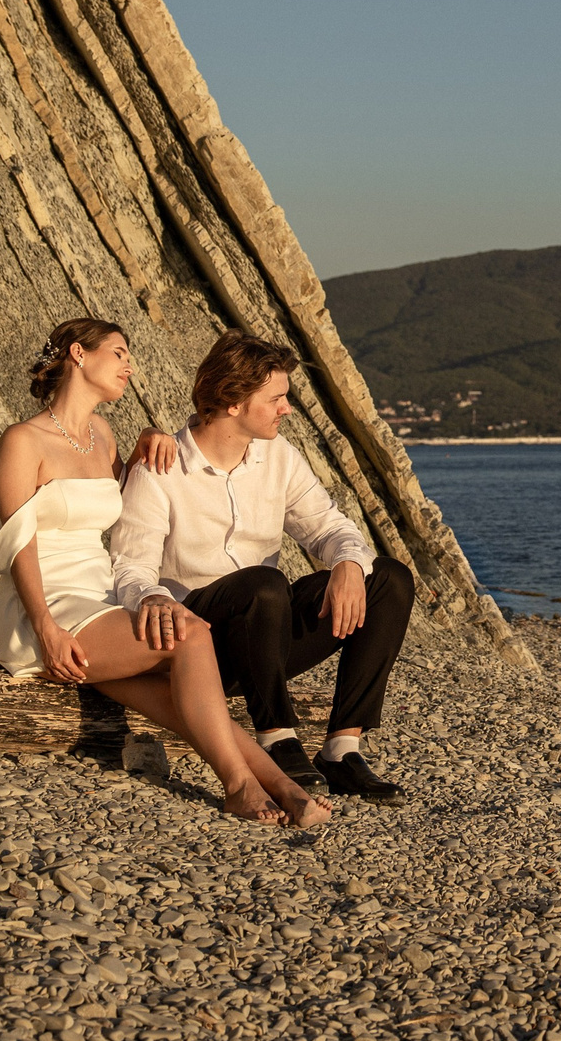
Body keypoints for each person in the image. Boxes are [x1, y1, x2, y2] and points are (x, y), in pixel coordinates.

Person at [0, 318, 329, 827]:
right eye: (119, 353)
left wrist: (149, 440)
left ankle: (282, 787)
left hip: (102, 601)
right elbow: (20, 545)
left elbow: (121, 500)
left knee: (182, 695)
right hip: (48, 606)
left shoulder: (101, 435)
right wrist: (46, 628)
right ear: (79, 355)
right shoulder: (22, 441)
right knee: (188, 636)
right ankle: (238, 787)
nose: (129, 365)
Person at [110, 331, 416, 800]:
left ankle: (342, 749)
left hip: (265, 640)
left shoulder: (280, 458)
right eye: (276, 398)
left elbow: (330, 527)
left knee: (388, 578)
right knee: (264, 584)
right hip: (201, 648)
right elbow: (130, 566)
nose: (286, 408)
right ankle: (276, 738)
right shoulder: (161, 466)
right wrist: (150, 597)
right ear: (233, 401)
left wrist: (349, 565)